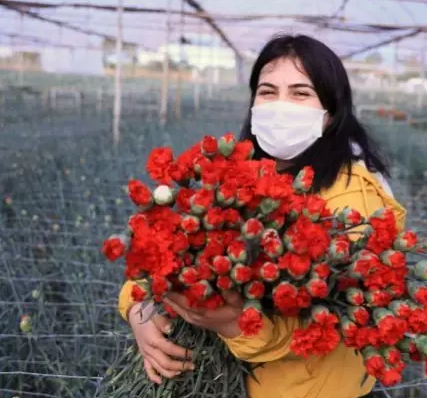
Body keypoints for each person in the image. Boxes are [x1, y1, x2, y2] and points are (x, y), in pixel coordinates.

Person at [117, 34, 406, 398]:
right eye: (268, 92)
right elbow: (164, 254)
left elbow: (319, 326)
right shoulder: (237, 172)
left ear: (330, 113)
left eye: (301, 93)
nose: (280, 105)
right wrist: (139, 307)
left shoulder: (356, 203)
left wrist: (236, 324)